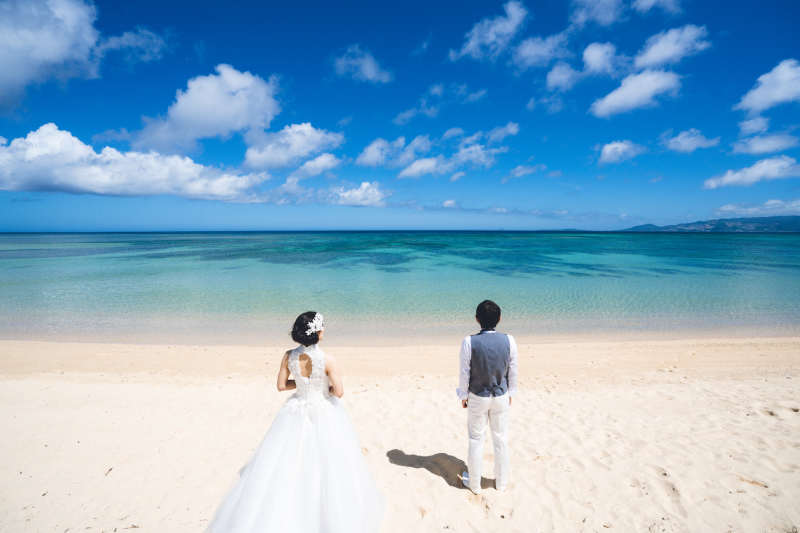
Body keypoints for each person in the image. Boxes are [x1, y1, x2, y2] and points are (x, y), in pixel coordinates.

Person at [206, 311, 384, 533]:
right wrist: (323, 388)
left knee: (287, 461)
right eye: (323, 327)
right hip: (323, 411)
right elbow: (339, 392)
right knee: (330, 463)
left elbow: (281, 386)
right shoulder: (328, 359)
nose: (324, 330)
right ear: (317, 333)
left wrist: (302, 386)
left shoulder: (288, 356)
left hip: (295, 409)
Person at [456, 300, 518, 495]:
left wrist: (463, 395)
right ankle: (501, 482)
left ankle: (474, 484)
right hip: (501, 395)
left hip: (477, 396)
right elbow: (512, 370)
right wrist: (511, 393)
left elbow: (464, 372)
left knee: (476, 439)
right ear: (499, 319)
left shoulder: (469, 341)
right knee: (501, 438)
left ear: (477, 319)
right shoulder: (509, 340)